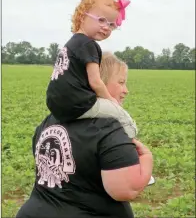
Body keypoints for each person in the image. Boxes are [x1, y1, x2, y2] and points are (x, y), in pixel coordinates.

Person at [16, 52, 153, 218]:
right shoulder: (109, 129)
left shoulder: (49, 121)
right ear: (97, 82)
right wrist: (147, 158)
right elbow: (126, 190)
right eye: (121, 82)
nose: (126, 90)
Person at [46, 0, 138, 138]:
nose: (106, 27)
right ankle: (128, 142)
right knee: (121, 115)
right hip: (77, 103)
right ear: (82, 17)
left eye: (111, 25)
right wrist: (111, 100)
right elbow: (96, 82)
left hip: (56, 104)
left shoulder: (71, 43)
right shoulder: (88, 44)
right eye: (101, 20)